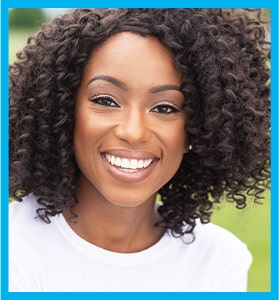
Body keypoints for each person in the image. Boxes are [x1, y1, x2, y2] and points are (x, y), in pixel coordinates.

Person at [9, 8, 270, 292]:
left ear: (198, 129)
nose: (134, 132)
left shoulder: (218, 261)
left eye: (165, 107)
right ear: (63, 113)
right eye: (107, 101)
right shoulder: (13, 249)